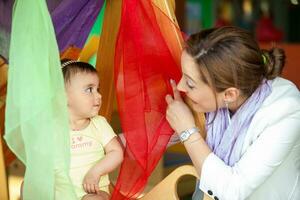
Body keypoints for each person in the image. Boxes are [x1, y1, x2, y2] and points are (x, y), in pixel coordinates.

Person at [165, 26, 300, 200]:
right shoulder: (214, 97)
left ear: (229, 94)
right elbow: (155, 138)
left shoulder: (287, 112)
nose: (181, 86)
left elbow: (233, 191)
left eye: (190, 83)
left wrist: (188, 133)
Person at [61, 60, 123, 200]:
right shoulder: (52, 129)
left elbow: (116, 152)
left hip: (94, 192)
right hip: (61, 193)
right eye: (89, 89)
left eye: (98, 89)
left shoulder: (99, 124)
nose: (99, 95)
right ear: (63, 96)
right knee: (27, 186)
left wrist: (95, 172)